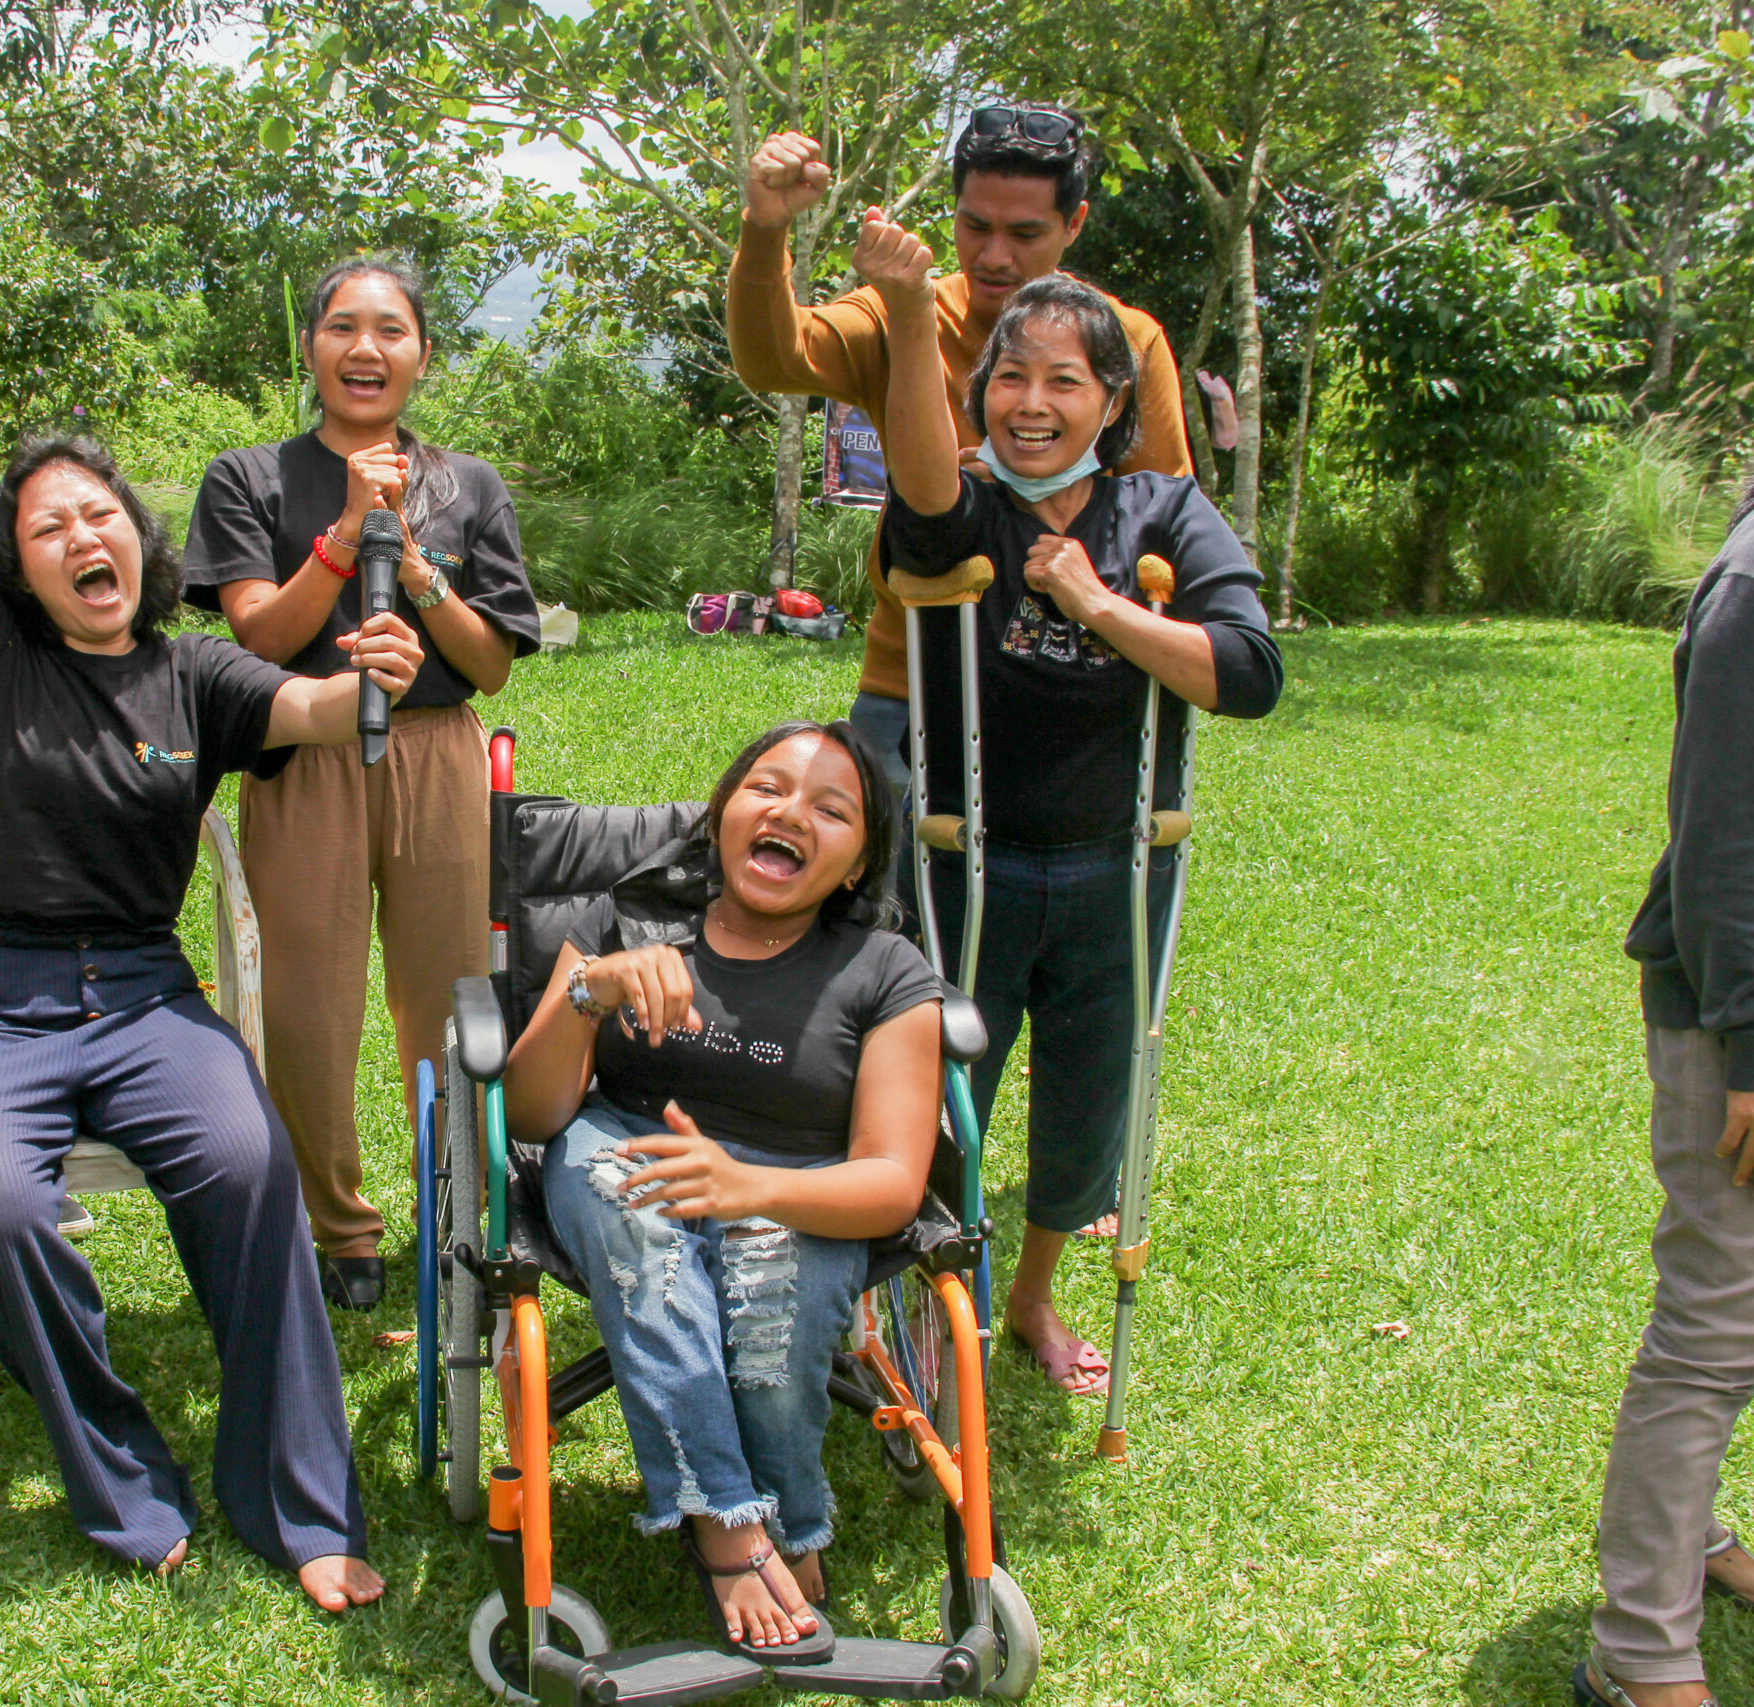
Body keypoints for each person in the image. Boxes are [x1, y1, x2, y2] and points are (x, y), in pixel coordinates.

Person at [0, 279, 422, 1609]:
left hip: (147, 997)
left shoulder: (193, 676)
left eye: (101, 514)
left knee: (250, 1165)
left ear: (137, 542)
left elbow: (314, 706)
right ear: (17, 563)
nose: (84, 536)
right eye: (49, 525)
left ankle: (299, 1501)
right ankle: (123, 1465)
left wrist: (366, 673)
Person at [862, 211, 1281, 1393]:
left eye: (1064, 380)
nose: (1029, 401)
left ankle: (1033, 1301)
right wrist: (904, 312)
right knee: (942, 1094)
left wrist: (1099, 606)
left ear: (1114, 400)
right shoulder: (963, 506)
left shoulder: (1162, 516)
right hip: (963, 860)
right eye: (1009, 374)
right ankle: (929, 1302)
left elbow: (1246, 674)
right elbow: (922, 492)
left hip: (1112, 863)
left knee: (1089, 1100)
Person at [504, 720, 943, 1660]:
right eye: (768, 789)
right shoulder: (628, 925)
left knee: (777, 1308)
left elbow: (895, 1182)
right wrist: (591, 992)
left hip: (805, 1181)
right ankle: (735, 1526)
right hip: (625, 1141)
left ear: (862, 861)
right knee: (648, 1248)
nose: (792, 812)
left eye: (833, 809)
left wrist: (746, 1185)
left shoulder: (885, 970)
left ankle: (782, 1501)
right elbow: (533, 1116)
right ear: (721, 816)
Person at [727, 110, 1191, 957]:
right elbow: (772, 358)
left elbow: (1165, 530)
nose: (994, 257)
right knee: (875, 950)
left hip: (1067, 706)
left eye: (1025, 232)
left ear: (1073, 225)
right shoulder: (904, 312)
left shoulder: (1124, 344)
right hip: (908, 690)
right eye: (974, 226)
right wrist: (766, 227)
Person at [184, 257, 540, 1309]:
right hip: (302, 754)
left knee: (445, 1001)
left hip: (436, 754)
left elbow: (487, 665)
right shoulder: (248, 477)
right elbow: (259, 633)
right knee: (303, 1008)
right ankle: (337, 1228)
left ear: (423, 357)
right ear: (310, 349)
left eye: (391, 331)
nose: (365, 350)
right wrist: (345, 535)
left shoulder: (468, 485)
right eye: (342, 327)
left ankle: (453, 1212)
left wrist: (420, 568)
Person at [1580, 450, 1754, 1707]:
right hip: (1749, 1029)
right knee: (1718, 1329)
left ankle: (1696, 1538)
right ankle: (1639, 1650)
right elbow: (1728, 829)